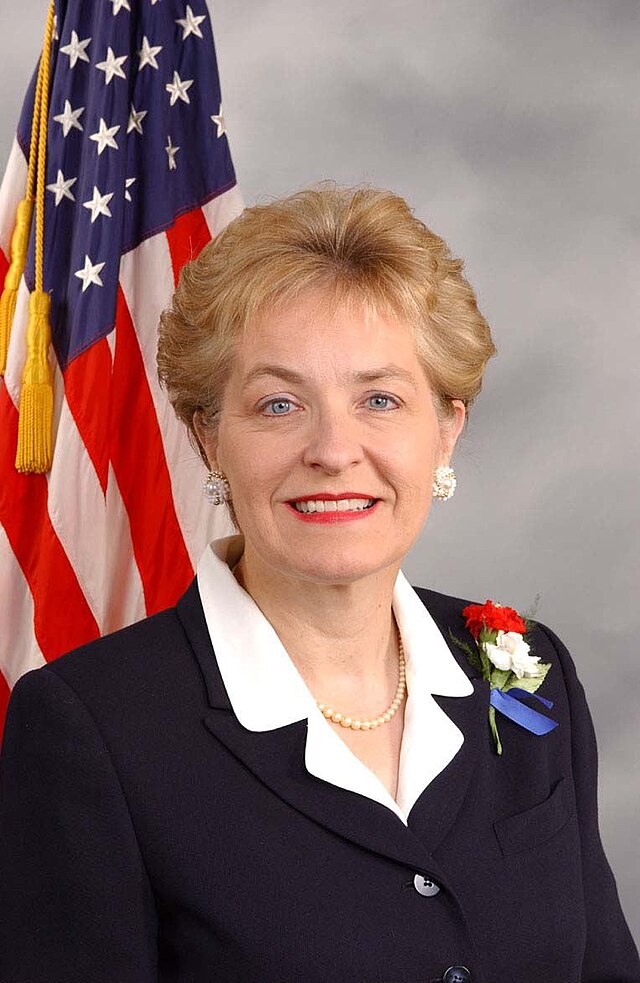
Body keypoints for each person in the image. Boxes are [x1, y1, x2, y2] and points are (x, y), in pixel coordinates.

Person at [0, 185, 637, 983]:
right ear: (209, 437)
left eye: (379, 398)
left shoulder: (523, 666)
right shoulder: (90, 727)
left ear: (446, 429)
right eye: (278, 404)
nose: (334, 449)